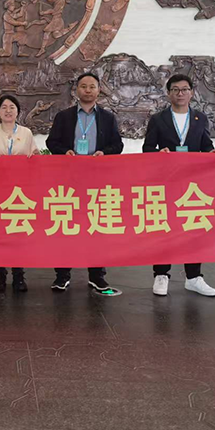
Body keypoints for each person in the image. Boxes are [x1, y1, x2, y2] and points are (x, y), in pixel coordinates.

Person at [46, 72, 123, 297]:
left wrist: (103, 152)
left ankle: (97, 276)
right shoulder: (64, 116)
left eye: (92, 86)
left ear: (99, 90)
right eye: (83, 86)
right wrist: (65, 151)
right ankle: (62, 275)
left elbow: (117, 145)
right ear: (76, 90)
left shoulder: (108, 118)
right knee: (66, 225)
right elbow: (52, 142)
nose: (87, 90)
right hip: (68, 180)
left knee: (96, 226)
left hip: (97, 181)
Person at [142, 74, 215, 297]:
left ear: (192, 93)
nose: (180, 93)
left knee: (193, 227)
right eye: (175, 89)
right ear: (168, 94)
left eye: (185, 89)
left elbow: (205, 144)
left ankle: (194, 277)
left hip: (193, 183)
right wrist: (159, 153)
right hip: (166, 181)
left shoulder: (200, 118)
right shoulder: (158, 119)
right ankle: (161, 274)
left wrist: (212, 153)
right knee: (164, 226)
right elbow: (147, 148)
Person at [0, 94, 38, 292]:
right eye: (4, 107)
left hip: (20, 193)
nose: (8, 111)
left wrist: (34, 156)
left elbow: (36, 157)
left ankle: (19, 275)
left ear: (18, 111)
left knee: (18, 233)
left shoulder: (26, 133)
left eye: (12, 107)